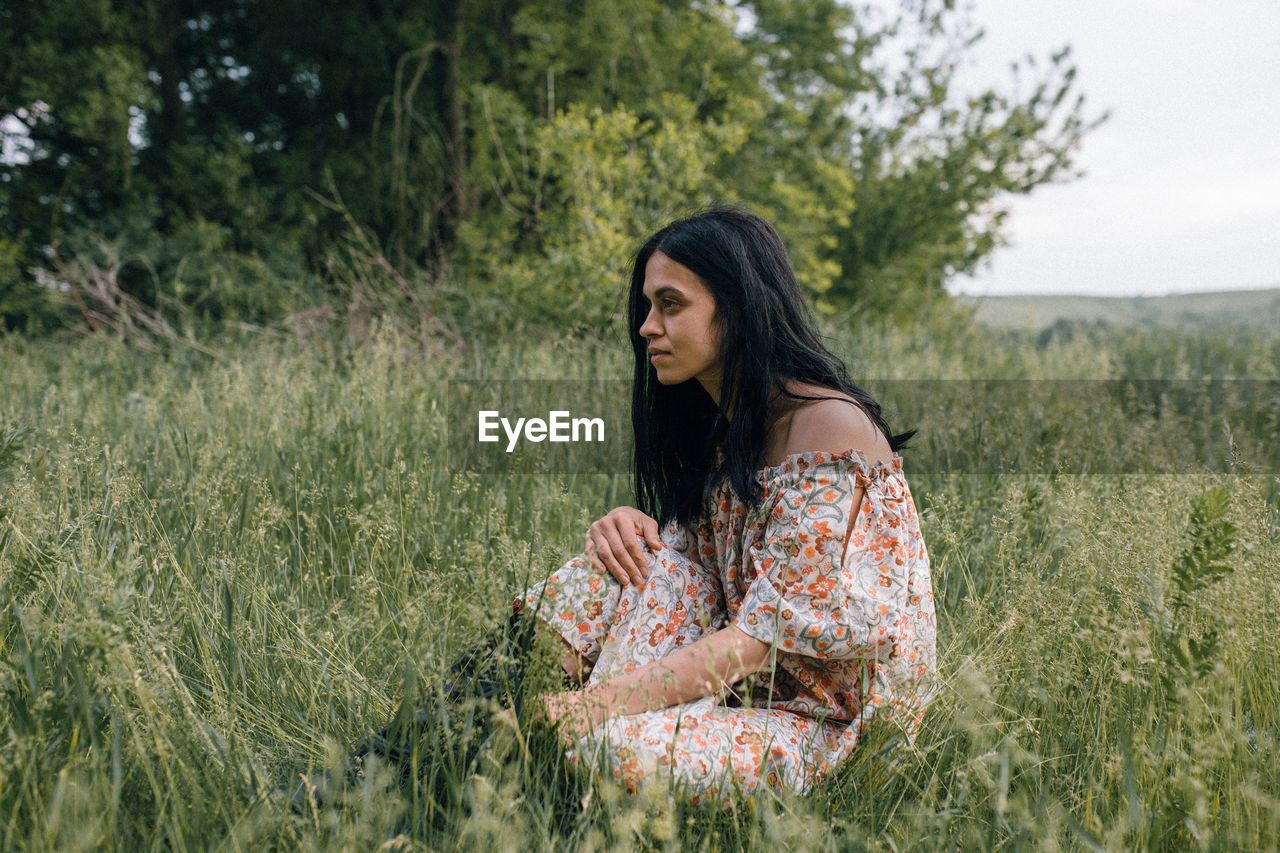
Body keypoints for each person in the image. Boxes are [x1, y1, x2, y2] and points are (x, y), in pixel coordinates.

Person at [508, 208, 937, 801]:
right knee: (620, 567)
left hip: (827, 723)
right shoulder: (725, 430)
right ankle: (467, 726)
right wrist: (631, 527)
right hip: (743, 694)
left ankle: (545, 746)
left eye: (671, 304)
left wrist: (598, 705)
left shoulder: (827, 429)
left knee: (612, 750)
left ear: (737, 307)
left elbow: (757, 641)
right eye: (647, 308)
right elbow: (687, 576)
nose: (647, 328)